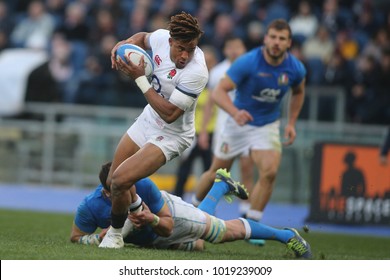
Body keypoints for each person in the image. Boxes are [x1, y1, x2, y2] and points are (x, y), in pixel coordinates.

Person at [99, 12, 209, 249]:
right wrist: (124, 44)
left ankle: (115, 234)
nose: (185, 55)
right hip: (149, 119)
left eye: (191, 49)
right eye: (181, 48)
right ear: (170, 40)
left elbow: (169, 114)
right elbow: (142, 38)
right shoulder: (160, 37)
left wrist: (140, 79)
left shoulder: (197, 72)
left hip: (173, 134)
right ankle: (137, 209)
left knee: (120, 181)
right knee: (111, 181)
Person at [192, 19, 306, 244]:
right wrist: (235, 113)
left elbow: (299, 92)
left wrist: (291, 122)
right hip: (238, 125)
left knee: (270, 172)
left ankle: (253, 223)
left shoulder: (295, 68)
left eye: (281, 39)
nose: (276, 42)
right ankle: (193, 209)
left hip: (266, 125)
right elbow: (218, 93)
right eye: (272, 37)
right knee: (217, 171)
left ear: (288, 43)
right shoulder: (248, 62)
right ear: (265, 39)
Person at [71, 162, 312, 259]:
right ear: (107, 191)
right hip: (153, 243)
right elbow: (76, 238)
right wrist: (96, 238)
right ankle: (220, 186)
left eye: (126, 183)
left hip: (172, 216)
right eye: (117, 188)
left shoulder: (144, 184)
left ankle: (288, 235)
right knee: (198, 244)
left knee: (222, 233)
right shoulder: (90, 205)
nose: (125, 187)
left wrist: (151, 218)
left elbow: (167, 227)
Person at [193, 36, 254, 217]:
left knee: (247, 168)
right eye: (230, 46)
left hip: (247, 127)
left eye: (238, 46)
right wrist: (203, 131)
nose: (234, 50)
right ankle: (201, 207)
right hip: (224, 128)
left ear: (243, 49)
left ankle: (246, 213)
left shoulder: (251, 68)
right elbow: (210, 104)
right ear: (225, 50)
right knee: (217, 171)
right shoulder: (218, 72)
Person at [172, 45, 218, 198]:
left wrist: (205, 133)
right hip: (190, 132)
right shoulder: (192, 80)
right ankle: (177, 200)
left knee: (208, 170)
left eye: (210, 61)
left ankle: (204, 203)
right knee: (184, 170)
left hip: (208, 133)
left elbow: (211, 111)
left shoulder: (215, 85)